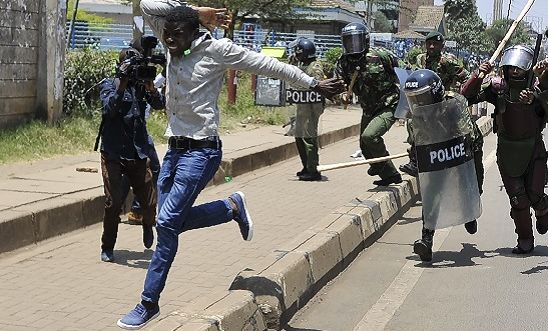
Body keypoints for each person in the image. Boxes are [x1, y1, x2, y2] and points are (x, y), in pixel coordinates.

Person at [117, 3, 344, 329]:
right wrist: (194, 8)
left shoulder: (218, 50)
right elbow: (146, 4)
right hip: (173, 152)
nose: (169, 40)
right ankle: (231, 207)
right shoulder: (171, 36)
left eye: (176, 34)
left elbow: (267, 65)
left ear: (194, 33)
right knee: (169, 222)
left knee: (166, 223)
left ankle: (148, 303)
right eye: (166, 33)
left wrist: (312, 83)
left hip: (202, 153)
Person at [461, 45, 548, 254]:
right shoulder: (497, 88)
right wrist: (478, 75)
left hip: (534, 149)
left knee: (535, 195)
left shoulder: (537, 86)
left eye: (519, 67)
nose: (515, 70)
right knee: (518, 199)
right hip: (507, 151)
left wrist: (536, 99)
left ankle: (543, 210)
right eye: (511, 67)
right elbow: (467, 96)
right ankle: (525, 239)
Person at [404, 69, 484, 262]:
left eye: (422, 98)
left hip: (465, 152)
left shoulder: (454, 104)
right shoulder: (415, 116)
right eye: (414, 98)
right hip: (438, 155)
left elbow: (468, 135)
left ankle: (469, 214)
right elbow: (416, 143)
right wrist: (416, 160)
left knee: (469, 187)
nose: (418, 103)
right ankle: (426, 241)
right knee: (432, 194)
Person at [98, 47, 165, 262]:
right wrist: (122, 83)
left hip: (137, 152)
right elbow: (109, 110)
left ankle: (147, 224)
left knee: (149, 203)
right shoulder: (110, 84)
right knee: (113, 202)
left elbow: (159, 104)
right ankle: (108, 246)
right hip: (114, 153)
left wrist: (150, 88)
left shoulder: (141, 87)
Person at [334, 22, 403, 186]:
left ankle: (391, 173)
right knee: (365, 147)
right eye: (349, 41)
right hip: (368, 108)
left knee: (370, 136)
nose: (352, 46)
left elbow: (402, 72)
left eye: (355, 41)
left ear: (365, 40)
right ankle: (380, 166)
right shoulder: (343, 62)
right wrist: (343, 96)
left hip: (389, 104)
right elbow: (339, 86)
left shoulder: (381, 55)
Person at [400, 31, 474, 177]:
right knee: (413, 125)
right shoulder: (420, 59)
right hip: (422, 102)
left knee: (448, 132)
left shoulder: (448, 61)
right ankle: (415, 161)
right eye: (429, 43)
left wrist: (460, 96)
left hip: (442, 103)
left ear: (442, 46)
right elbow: (410, 75)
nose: (432, 46)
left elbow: (466, 77)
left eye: (436, 44)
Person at [289, 37, 326, 181]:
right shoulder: (301, 64)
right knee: (299, 136)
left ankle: (313, 169)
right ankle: (305, 166)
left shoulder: (314, 67)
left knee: (308, 137)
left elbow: (316, 84)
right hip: (301, 105)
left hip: (311, 107)